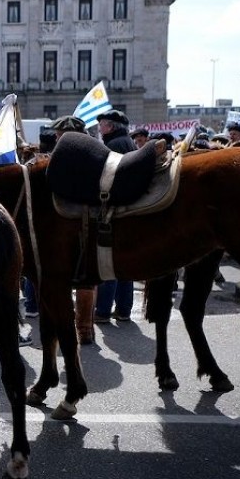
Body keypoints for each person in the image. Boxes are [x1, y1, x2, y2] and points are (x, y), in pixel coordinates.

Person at [50, 115, 99, 344]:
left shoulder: (67, 154)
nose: (57, 139)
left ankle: (82, 328)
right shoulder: (96, 150)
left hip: (70, 221)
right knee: (87, 276)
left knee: (75, 276)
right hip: (88, 220)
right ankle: (86, 328)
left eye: (60, 135)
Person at [94, 109, 135, 325]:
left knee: (108, 262)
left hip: (113, 210)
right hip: (128, 209)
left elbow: (104, 178)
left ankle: (102, 311)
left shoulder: (113, 146)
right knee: (124, 263)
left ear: (110, 126)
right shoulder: (128, 142)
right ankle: (124, 310)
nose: (99, 129)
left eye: (101, 125)